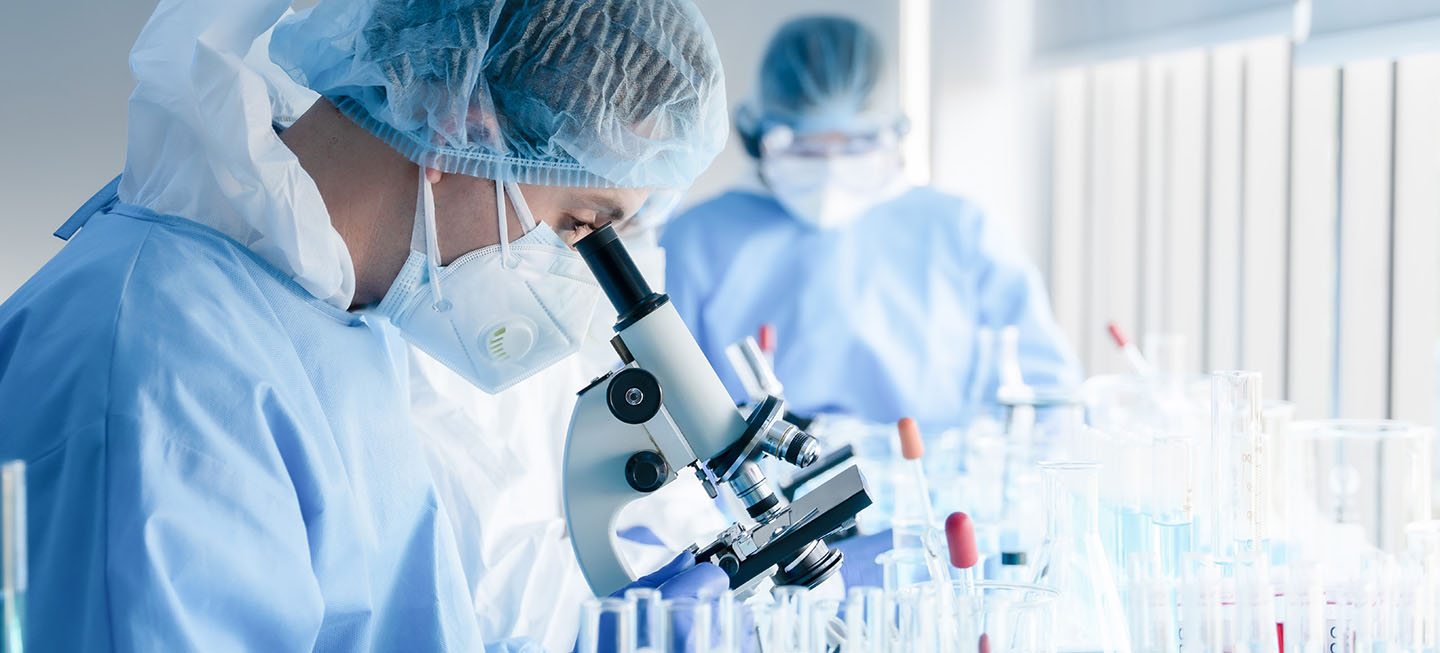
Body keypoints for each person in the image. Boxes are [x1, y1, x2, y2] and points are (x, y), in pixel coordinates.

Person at [0, 0, 730, 649]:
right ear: (455, 124)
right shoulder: (165, 366)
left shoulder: (344, 319)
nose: (573, 274)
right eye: (578, 224)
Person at [662, 15, 1081, 433]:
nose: (831, 167)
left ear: (894, 133)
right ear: (757, 133)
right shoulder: (694, 240)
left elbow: (1049, 399)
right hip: (758, 490)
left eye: (857, 143)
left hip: (936, 490)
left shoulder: (961, 230)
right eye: (804, 147)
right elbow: (665, 406)